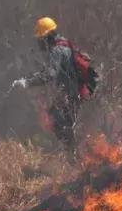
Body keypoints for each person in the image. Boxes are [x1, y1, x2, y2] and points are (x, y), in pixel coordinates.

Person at [12, 17, 97, 153]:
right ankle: (72, 156)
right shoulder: (66, 45)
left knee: (60, 125)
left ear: (47, 37)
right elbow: (49, 71)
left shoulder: (57, 51)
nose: (39, 42)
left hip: (70, 96)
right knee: (61, 121)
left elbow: (50, 74)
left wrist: (27, 83)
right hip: (74, 94)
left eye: (40, 38)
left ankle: (73, 158)